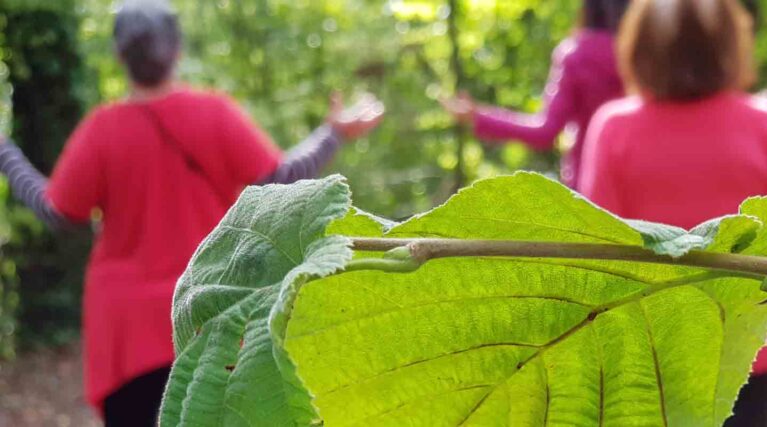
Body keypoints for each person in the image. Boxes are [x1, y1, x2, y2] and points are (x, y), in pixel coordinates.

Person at [0, 1, 384, 426]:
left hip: (126, 336)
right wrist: (332, 135)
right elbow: (281, 176)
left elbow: (57, 212)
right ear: (177, 51)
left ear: (120, 57)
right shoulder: (214, 114)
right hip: (211, 316)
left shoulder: (103, 130)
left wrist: (6, 152)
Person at [578, 0, 767, 425]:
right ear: (731, 45)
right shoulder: (766, 122)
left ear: (639, 49)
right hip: (748, 348)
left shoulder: (613, 127)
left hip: (651, 353)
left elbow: (597, 253)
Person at [441, 0, 630, 189]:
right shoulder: (646, 53)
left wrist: (478, 117)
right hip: (647, 186)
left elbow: (544, 131)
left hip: (592, 191)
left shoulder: (577, 54)